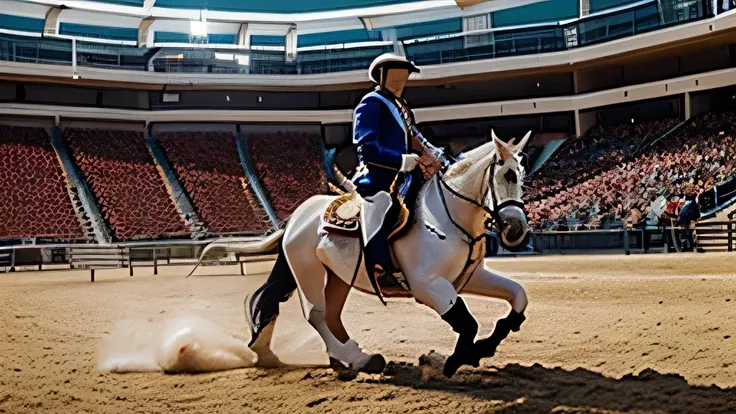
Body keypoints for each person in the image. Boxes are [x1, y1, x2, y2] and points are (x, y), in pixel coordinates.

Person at [352, 53, 444, 278]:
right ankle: (376, 262)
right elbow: (367, 147)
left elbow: (414, 135)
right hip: (379, 175)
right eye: (394, 79)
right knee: (381, 203)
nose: (400, 84)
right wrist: (399, 160)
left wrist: (432, 153)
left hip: (407, 175)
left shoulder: (402, 107)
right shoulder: (370, 104)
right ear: (380, 79)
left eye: (403, 79)